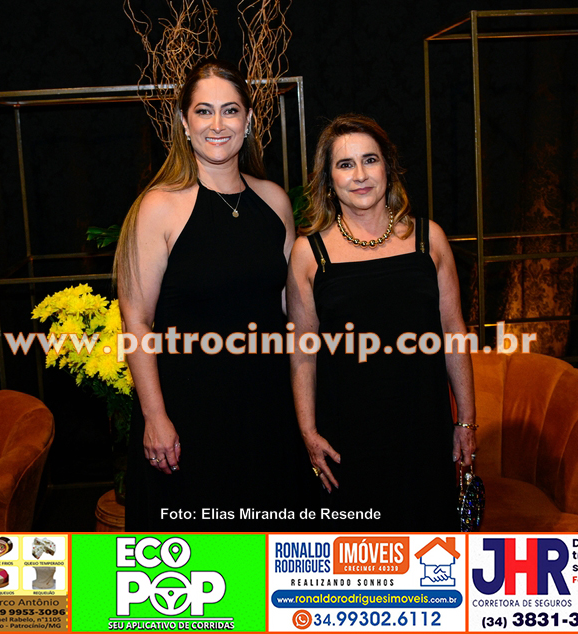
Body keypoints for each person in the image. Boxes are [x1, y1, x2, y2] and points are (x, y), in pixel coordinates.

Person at [115, 59, 306, 531]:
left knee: (269, 553)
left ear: (249, 120)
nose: (217, 124)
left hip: (267, 413)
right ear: (184, 123)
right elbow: (136, 321)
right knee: (195, 561)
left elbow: (293, 312)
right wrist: (155, 417)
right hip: (189, 417)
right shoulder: (158, 207)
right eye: (204, 111)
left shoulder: (275, 201)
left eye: (230, 110)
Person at [287, 114, 477, 531]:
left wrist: (465, 421)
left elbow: (454, 333)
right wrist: (307, 431)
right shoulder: (308, 253)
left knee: (428, 551)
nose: (360, 175)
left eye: (369, 160)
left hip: (423, 429)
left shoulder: (429, 239)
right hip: (346, 438)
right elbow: (302, 352)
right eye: (345, 164)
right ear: (328, 180)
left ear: (388, 167)